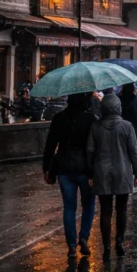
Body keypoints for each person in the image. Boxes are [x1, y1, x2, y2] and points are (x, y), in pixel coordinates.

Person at [86, 94, 137, 260]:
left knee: (105, 211)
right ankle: (119, 242)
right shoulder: (127, 126)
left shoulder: (96, 127)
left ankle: (106, 247)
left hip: (101, 172)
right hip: (123, 171)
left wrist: (90, 172)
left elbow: (89, 151)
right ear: (118, 107)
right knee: (122, 209)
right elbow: (134, 151)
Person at [43, 92, 98, 258]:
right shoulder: (91, 119)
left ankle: (72, 246)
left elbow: (50, 145)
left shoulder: (59, 118)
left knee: (69, 207)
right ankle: (84, 237)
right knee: (88, 205)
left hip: (64, 167)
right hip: (85, 168)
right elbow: (95, 147)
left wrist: (46, 168)